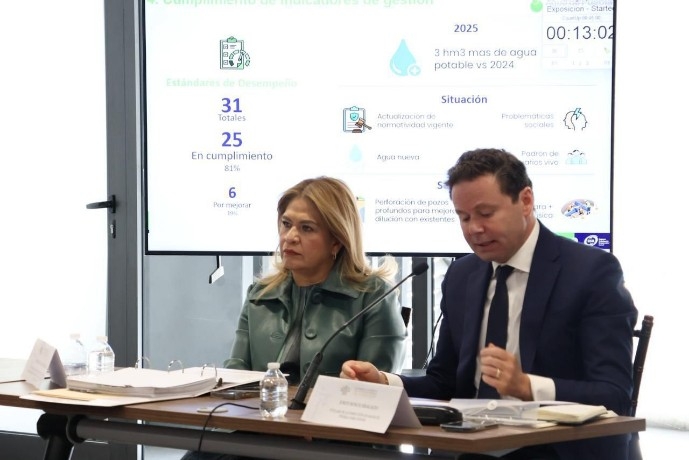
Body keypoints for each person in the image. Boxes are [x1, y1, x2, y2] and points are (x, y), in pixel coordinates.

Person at [340, 148, 638, 460]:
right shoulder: (462, 275)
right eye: (464, 217)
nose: (474, 229)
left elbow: (614, 394)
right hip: (471, 447)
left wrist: (527, 386)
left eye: (486, 214)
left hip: (556, 449)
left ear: (525, 201)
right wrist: (384, 382)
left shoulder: (590, 272)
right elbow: (444, 383)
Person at [182, 176, 407, 460]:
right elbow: (236, 376)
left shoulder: (374, 295)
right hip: (262, 434)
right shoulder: (260, 294)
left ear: (337, 240)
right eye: (286, 224)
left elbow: (373, 394)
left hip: (342, 443)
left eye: (306, 228)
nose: (290, 237)